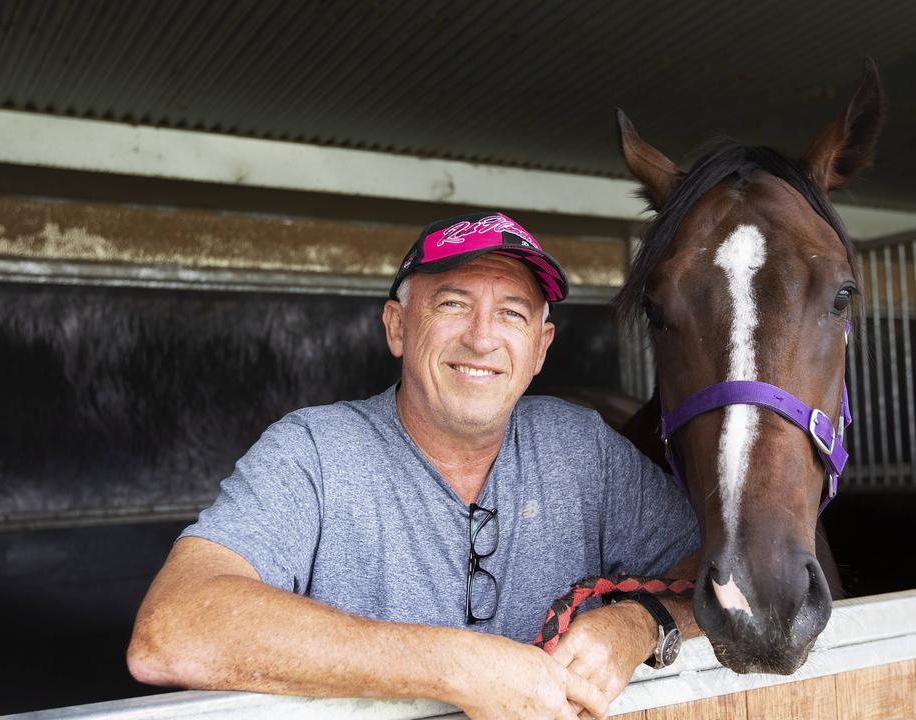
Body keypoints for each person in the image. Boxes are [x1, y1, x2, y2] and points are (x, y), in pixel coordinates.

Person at [127, 211, 700, 720]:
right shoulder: (314, 452)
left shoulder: (581, 448)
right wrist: (455, 664)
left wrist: (641, 623)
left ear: (540, 348)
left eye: (512, 313)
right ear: (398, 327)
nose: (481, 338)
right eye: (453, 304)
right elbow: (173, 629)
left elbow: (721, 571)